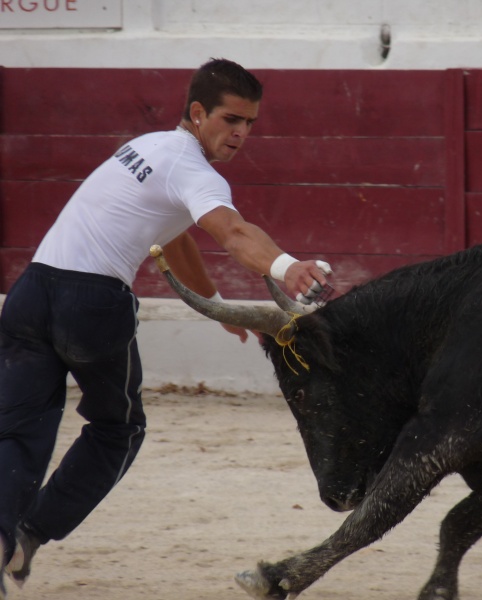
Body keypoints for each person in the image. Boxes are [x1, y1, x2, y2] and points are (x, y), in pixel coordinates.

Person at [0, 57, 332, 598]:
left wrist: (213, 302)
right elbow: (235, 233)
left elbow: (174, 232)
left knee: (17, 430)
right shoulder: (195, 171)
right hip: (92, 302)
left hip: (31, 293)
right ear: (198, 112)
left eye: (249, 123)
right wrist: (287, 267)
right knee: (118, 429)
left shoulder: (147, 146)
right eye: (230, 120)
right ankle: (31, 532)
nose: (240, 134)